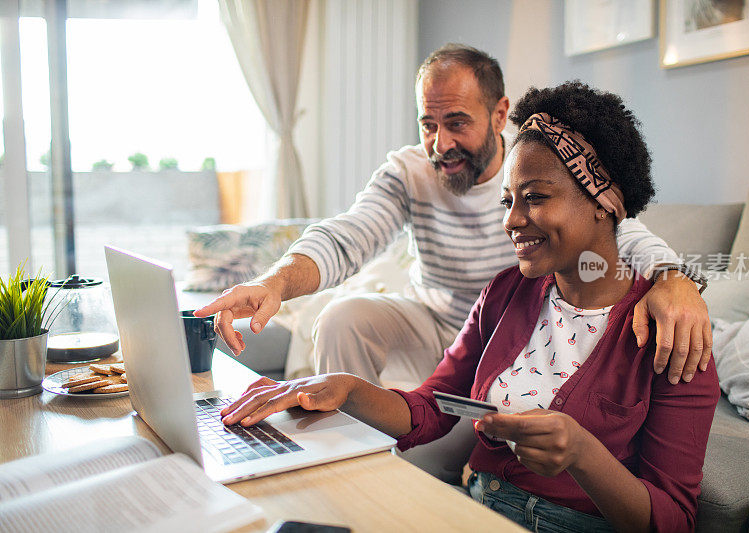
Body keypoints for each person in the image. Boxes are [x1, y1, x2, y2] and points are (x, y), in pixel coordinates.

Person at [217, 82, 720, 532]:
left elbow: (674, 521)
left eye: (536, 197)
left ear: (605, 202)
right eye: (508, 201)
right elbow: (431, 407)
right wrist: (343, 388)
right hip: (471, 507)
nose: (513, 221)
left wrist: (584, 454)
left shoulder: (671, 336)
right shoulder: (506, 293)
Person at [195, 43, 711, 390]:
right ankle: (341, 445)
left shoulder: (537, 167)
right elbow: (348, 235)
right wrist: (276, 283)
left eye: (457, 123)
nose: (440, 145)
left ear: (500, 113)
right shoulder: (409, 169)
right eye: (428, 124)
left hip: (513, 335)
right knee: (341, 316)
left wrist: (675, 280)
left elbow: (622, 231)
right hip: (433, 322)